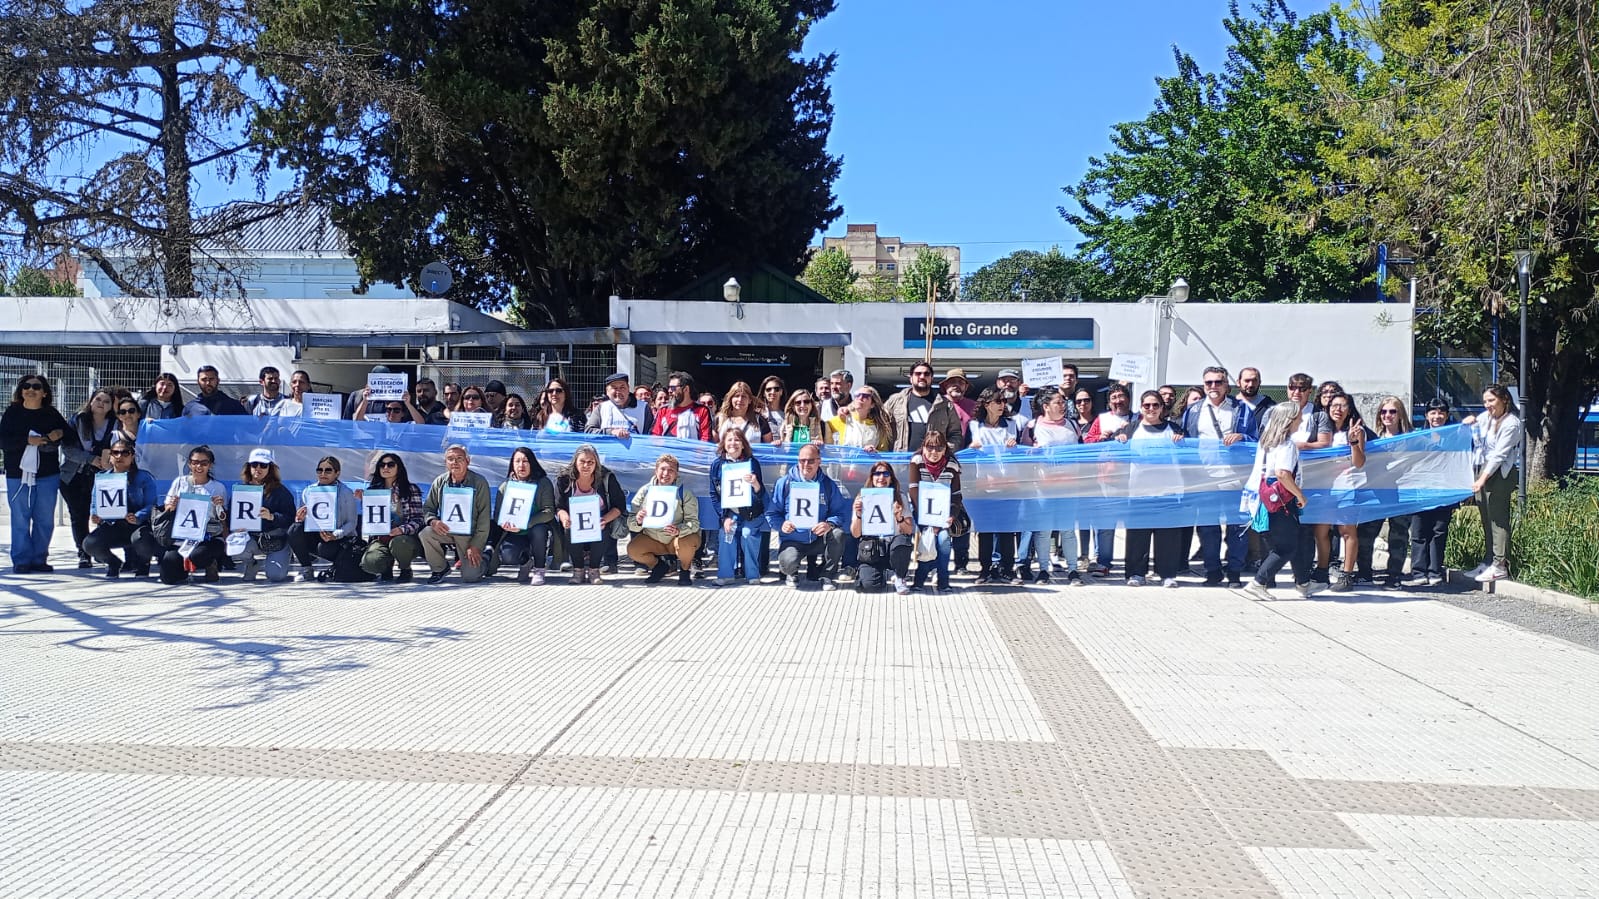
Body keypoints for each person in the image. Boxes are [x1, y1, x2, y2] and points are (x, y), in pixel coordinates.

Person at [1181, 365, 1260, 588]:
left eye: (1218, 382)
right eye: (1209, 382)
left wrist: (1242, 437)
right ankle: (1213, 571)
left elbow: (1257, 440)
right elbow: (1185, 439)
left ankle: (1234, 572)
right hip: (1204, 479)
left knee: (1237, 528)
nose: (1213, 386)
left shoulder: (1242, 409)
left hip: (1234, 478)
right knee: (1207, 528)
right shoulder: (1193, 411)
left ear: (1226, 385)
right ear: (1203, 384)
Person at [1242, 403, 1319, 601]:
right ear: (1289, 419)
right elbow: (1282, 473)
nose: (1301, 420)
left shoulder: (1266, 442)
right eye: (1298, 416)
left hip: (1265, 497)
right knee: (1286, 547)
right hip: (1281, 499)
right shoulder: (1286, 444)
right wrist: (1299, 495)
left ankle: (1303, 582)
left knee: (1294, 540)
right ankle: (1258, 582)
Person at [1115, 391, 1187, 587]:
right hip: (1138, 493)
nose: (1151, 409)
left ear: (1162, 408)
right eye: (1147, 405)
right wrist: (1119, 438)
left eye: (1155, 405)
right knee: (1137, 536)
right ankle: (1136, 574)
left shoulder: (1174, 429)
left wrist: (1181, 441)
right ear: (1141, 408)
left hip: (1169, 492)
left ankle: (1167, 574)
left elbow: (1188, 451)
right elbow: (1113, 446)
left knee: (1168, 536)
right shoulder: (1132, 429)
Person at [3, 374, 71, 573]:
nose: (30, 390)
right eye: (26, 386)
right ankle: (21, 560)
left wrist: (59, 433)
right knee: (20, 518)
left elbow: (69, 435)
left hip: (47, 474)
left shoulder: (51, 413)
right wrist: (27, 441)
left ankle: (39, 558)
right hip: (18, 475)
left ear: (44, 393)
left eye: (35, 386)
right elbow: (3, 441)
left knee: (44, 519)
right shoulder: (12, 413)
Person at [138, 444, 229, 585]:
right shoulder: (180, 482)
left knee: (198, 555)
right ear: (189, 464)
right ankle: (183, 569)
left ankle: (210, 563)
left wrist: (219, 507)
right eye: (195, 462)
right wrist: (172, 506)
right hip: (182, 537)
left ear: (210, 465)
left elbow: (222, 518)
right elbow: (167, 508)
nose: (199, 466)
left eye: (204, 463)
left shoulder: (218, 487)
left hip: (208, 537)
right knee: (168, 577)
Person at [1016, 386, 1080, 584]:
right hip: (1043, 488)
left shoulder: (1072, 425)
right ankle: (1043, 569)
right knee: (1043, 530)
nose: (1063, 405)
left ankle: (1073, 570)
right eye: (1058, 402)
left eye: (1063, 402)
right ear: (1046, 406)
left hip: (1068, 487)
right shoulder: (1033, 426)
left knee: (1068, 530)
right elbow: (1023, 455)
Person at [766, 442, 848, 590]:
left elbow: (839, 512)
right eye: (802, 460)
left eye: (810, 461)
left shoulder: (828, 485)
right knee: (788, 562)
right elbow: (772, 513)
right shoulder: (784, 483)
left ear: (819, 461)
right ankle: (792, 573)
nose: (806, 465)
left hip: (818, 539)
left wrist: (829, 524)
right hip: (793, 539)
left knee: (838, 534)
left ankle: (827, 576)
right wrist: (781, 525)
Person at [1463, 385, 1522, 583]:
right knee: (1486, 518)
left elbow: (1499, 455)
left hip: (1499, 474)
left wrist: (1482, 479)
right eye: (1485, 401)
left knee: (1498, 519)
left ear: (1504, 399)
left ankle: (1500, 565)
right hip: (1482, 467)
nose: (1488, 405)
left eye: (1492, 400)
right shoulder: (1486, 417)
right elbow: (1473, 426)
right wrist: (1469, 421)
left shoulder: (1512, 423)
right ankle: (1488, 560)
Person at [1319, 393, 1375, 592]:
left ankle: (1347, 574)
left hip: (1346, 486)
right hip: (1324, 487)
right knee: (1321, 531)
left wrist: (1353, 442)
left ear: (1349, 409)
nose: (1338, 409)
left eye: (1343, 405)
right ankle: (1321, 571)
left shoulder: (1357, 431)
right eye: (1334, 405)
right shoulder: (1322, 430)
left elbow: (1359, 463)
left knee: (1347, 531)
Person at [82, 437, 159, 579]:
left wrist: (138, 516)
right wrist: (95, 515)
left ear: (132, 456)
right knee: (89, 544)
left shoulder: (144, 477)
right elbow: (95, 503)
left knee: (142, 540)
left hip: (138, 526)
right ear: (110, 456)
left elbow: (152, 505)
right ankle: (113, 563)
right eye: (115, 453)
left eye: (125, 453)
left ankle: (143, 563)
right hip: (112, 525)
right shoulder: (102, 478)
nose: (119, 456)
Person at [419, 444, 494, 584]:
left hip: (469, 534)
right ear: (445, 462)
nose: (455, 462)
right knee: (426, 533)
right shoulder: (440, 482)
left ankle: (486, 555)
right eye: (450, 459)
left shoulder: (479, 482)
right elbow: (428, 508)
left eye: (459, 458)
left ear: (468, 461)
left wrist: (476, 545)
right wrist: (433, 521)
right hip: (446, 530)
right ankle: (440, 568)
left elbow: (484, 518)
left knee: (471, 577)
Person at [555, 443, 627, 584]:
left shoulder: (607, 478)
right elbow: (558, 506)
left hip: (601, 518)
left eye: (590, 462)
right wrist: (564, 518)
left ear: (596, 463)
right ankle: (578, 570)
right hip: (574, 519)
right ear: (575, 462)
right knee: (570, 529)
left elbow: (620, 506)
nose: (586, 465)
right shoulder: (564, 479)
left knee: (602, 529)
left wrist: (605, 519)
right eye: (582, 461)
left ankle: (594, 570)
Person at [968, 387, 1020, 584]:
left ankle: (1008, 569)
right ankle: (985, 569)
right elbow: (967, 452)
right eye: (998, 401)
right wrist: (971, 447)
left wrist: (1014, 447)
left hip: (1007, 484)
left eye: (1004, 401)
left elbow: (1020, 451)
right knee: (985, 531)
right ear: (986, 404)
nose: (1002, 405)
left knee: (1006, 530)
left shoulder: (1011, 425)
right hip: (984, 484)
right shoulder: (975, 425)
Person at [626, 454, 703, 586]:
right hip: (653, 538)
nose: (666, 474)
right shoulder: (644, 491)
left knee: (686, 543)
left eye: (671, 470)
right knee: (633, 549)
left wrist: (679, 530)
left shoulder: (684, 493)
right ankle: (658, 566)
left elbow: (694, 523)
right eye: (662, 469)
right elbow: (631, 522)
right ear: (656, 471)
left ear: (676, 474)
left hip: (678, 539)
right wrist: (638, 520)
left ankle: (685, 570)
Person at [61, 388, 117, 568]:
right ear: (91, 401)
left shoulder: (115, 424)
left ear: (111, 406)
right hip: (74, 476)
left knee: (105, 515)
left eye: (106, 401)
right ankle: (83, 553)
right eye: (98, 399)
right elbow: (67, 449)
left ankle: (99, 550)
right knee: (79, 515)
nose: (101, 404)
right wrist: (90, 459)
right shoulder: (77, 420)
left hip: (104, 477)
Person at [488, 446, 558, 585]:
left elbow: (549, 512)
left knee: (539, 530)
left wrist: (526, 523)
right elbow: (497, 515)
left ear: (532, 463)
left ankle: (539, 568)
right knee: (508, 557)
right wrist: (505, 524)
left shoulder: (543, 483)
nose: (521, 465)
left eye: (525, 461)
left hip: (535, 527)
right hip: (514, 532)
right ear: (512, 465)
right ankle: (525, 562)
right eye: (517, 461)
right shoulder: (505, 486)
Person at [227, 448, 297, 583]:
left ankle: (285, 554)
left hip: (276, 539)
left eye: (263, 465)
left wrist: (272, 517)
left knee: (276, 576)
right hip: (251, 538)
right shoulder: (240, 491)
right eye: (254, 464)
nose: (258, 468)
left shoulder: (281, 492)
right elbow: (231, 516)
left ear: (270, 468)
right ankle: (251, 563)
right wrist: (236, 528)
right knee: (235, 548)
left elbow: (290, 519)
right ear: (249, 467)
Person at [709, 428, 768, 586]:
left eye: (737, 440)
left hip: (751, 512)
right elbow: (714, 494)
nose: (733, 443)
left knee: (748, 535)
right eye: (729, 440)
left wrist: (755, 484)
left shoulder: (752, 463)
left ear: (743, 444)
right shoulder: (717, 465)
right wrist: (724, 517)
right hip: (731, 512)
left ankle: (752, 574)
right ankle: (726, 575)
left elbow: (761, 492)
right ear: (723, 443)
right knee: (726, 533)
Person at [907, 430, 963, 593]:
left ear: (945, 449)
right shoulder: (917, 461)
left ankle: (943, 580)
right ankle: (919, 579)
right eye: (930, 448)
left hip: (944, 514)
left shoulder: (952, 465)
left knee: (944, 540)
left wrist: (951, 515)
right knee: (928, 538)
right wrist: (929, 520)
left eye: (939, 448)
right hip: (921, 512)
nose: (934, 452)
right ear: (923, 447)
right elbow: (913, 491)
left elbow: (956, 495)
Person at [288, 455, 360, 582]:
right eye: (319, 470)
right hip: (317, 533)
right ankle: (306, 568)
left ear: (337, 473)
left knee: (324, 548)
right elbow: (303, 520)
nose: (323, 474)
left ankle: (339, 566)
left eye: (328, 470)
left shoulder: (346, 493)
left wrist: (336, 535)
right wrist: (300, 518)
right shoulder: (309, 491)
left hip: (340, 538)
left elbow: (351, 523)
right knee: (294, 529)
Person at [1410, 399, 1459, 587]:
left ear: (1446, 416)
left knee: (1439, 532)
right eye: (1433, 412)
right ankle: (1418, 572)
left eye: (1441, 413)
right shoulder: (1417, 437)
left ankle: (1435, 571)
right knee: (1419, 532)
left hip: (1444, 491)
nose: (1437, 417)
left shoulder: (1455, 437)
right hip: (1421, 492)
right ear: (1426, 415)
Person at [1367, 395, 1414, 588]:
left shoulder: (1412, 440)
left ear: (1400, 414)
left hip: (1401, 493)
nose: (1387, 415)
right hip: (1377, 493)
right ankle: (1364, 573)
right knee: (1367, 533)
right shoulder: (1373, 440)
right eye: (1383, 411)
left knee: (1398, 535)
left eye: (1392, 411)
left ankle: (1394, 575)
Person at [850, 461, 916, 594]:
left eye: (886, 474)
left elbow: (909, 530)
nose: (881, 477)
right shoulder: (862, 498)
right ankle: (880, 574)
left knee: (902, 541)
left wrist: (899, 517)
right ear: (872, 477)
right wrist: (858, 515)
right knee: (869, 586)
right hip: (872, 548)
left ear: (891, 477)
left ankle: (900, 576)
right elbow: (855, 534)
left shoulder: (900, 497)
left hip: (894, 546)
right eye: (877, 474)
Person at [360, 452, 427, 582]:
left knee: (399, 544)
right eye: (382, 465)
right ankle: (386, 566)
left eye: (390, 465)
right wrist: (364, 499)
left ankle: (405, 568)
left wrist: (402, 529)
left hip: (404, 538)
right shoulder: (373, 491)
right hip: (382, 538)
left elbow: (419, 519)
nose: (386, 468)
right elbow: (372, 518)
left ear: (398, 468)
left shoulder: (411, 489)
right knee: (369, 563)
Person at [884, 361, 964, 452]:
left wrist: (943, 451)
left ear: (931, 378)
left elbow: (955, 434)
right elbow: (879, 424)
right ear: (911, 378)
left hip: (932, 459)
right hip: (902, 458)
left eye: (926, 374)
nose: (922, 377)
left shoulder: (945, 404)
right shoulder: (895, 401)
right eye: (918, 374)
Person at [825, 385, 892, 452]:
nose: (860, 398)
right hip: (843, 459)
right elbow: (822, 430)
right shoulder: (843, 418)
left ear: (872, 404)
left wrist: (874, 451)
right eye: (857, 395)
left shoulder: (879, 427)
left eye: (865, 396)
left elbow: (884, 452)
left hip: (867, 459)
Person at [651, 371, 714, 441]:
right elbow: (655, 436)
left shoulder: (702, 411)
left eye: (673, 388)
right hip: (666, 448)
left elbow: (705, 439)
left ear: (686, 389)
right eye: (669, 387)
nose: (669, 391)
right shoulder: (663, 410)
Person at [586, 372, 652, 437]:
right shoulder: (601, 408)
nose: (618, 391)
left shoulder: (644, 408)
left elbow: (651, 434)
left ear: (628, 389)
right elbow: (589, 431)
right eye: (614, 388)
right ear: (607, 391)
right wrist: (610, 432)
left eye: (622, 387)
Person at [184, 365, 249, 416]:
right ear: (198, 382)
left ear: (218, 380)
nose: (208, 383)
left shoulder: (233, 405)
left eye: (211, 379)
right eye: (204, 379)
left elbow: (246, 427)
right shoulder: (190, 407)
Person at [939, 369, 975, 447]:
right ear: (946, 385)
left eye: (960, 382)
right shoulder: (937, 404)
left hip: (966, 451)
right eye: (952, 382)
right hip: (940, 451)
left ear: (966, 386)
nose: (956, 385)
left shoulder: (974, 406)